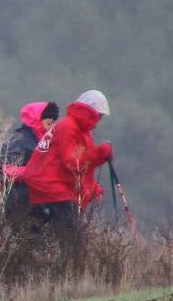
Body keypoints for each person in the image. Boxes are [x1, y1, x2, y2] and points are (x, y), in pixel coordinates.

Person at [14, 89, 113, 270]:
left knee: (62, 237)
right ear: (91, 113)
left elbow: (80, 165)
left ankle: (57, 273)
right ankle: (72, 275)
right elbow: (72, 163)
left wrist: (91, 188)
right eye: (98, 116)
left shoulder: (77, 129)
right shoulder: (69, 127)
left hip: (47, 188)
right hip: (52, 189)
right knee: (70, 239)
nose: (98, 122)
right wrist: (100, 154)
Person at [0, 101, 58, 230]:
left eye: (53, 122)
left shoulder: (43, 142)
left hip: (36, 204)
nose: (51, 125)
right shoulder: (21, 140)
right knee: (26, 242)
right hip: (19, 202)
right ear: (37, 119)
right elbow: (5, 168)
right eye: (48, 121)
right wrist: (33, 173)